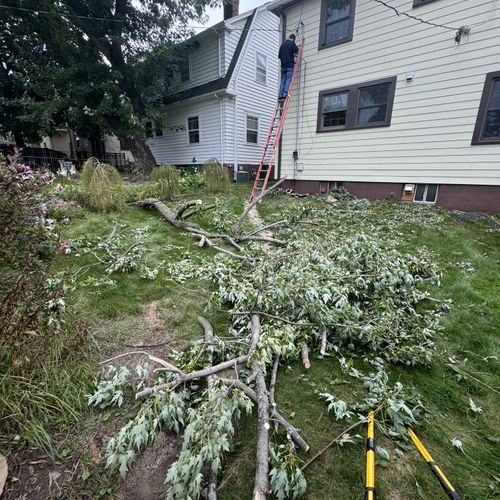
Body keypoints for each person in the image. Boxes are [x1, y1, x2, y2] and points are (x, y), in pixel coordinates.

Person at [278, 33, 299, 100]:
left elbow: (279, 56)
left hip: (283, 66)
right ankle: (285, 93)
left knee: (283, 80)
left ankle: (280, 94)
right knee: (288, 79)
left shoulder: (282, 45)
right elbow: (297, 49)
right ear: (293, 39)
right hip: (289, 65)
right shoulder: (292, 43)